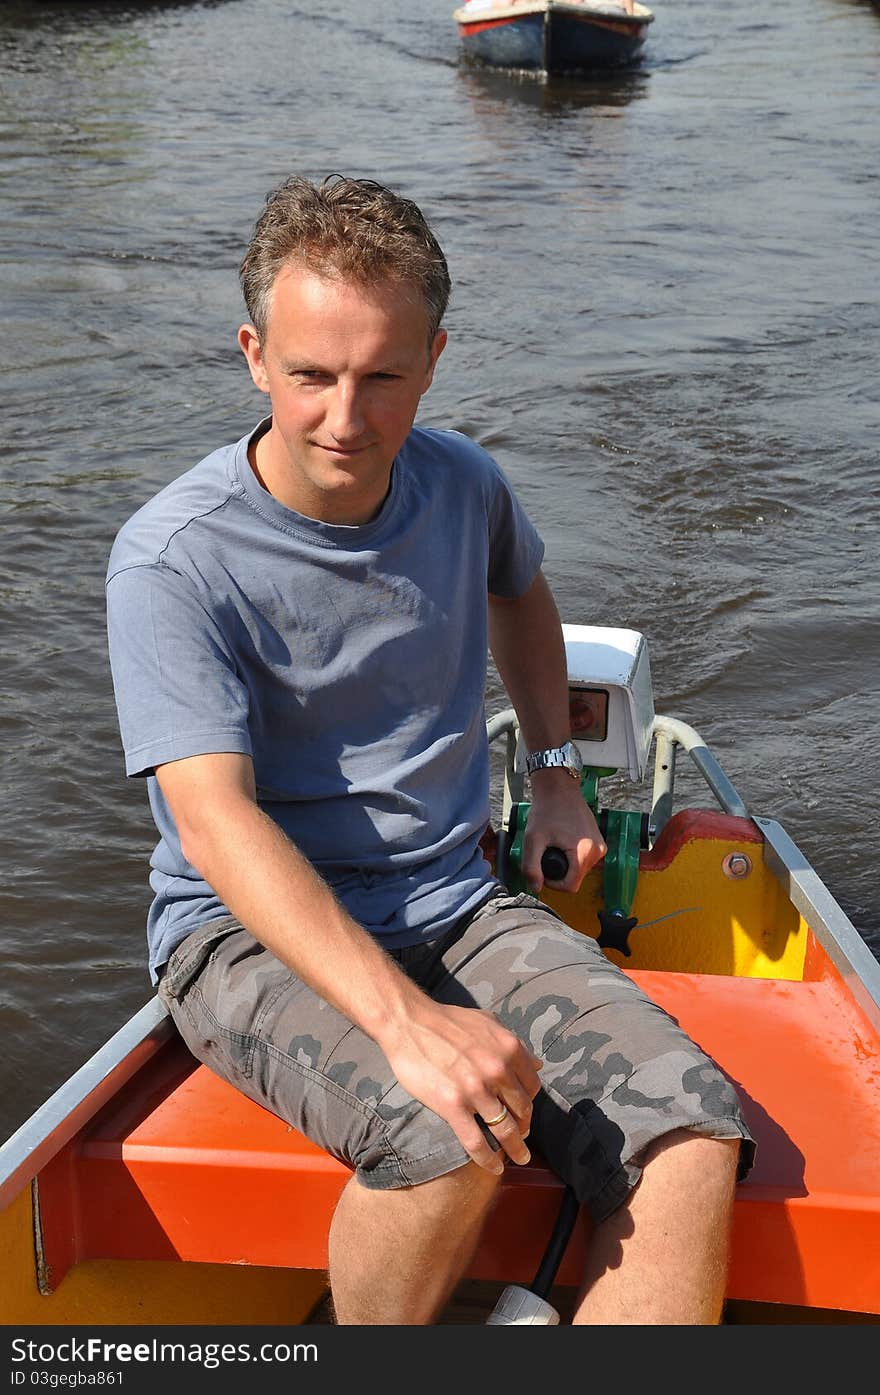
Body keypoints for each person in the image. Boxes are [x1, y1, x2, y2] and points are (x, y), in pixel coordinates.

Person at [105, 173, 755, 1325]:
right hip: (240, 940)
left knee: (690, 1124)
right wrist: (409, 1028)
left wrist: (552, 775)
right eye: (310, 374)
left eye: (382, 378)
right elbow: (214, 819)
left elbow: (523, 598)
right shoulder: (174, 560)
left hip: (454, 901)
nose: (344, 419)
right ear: (254, 354)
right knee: (443, 1137)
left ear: (435, 359)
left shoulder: (465, 484)